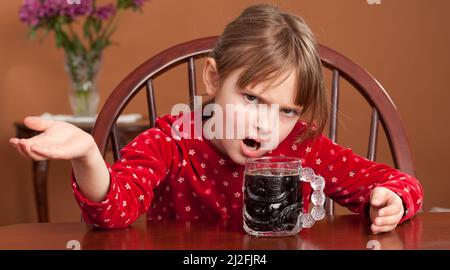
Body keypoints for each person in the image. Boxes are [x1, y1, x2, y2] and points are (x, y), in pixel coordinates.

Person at [9, 4, 423, 235]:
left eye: (286, 111)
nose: (265, 125)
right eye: (251, 98)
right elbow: (112, 209)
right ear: (213, 79)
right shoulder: (172, 140)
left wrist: (394, 200)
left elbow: (400, 183)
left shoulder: (300, 146)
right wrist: (86, 155)